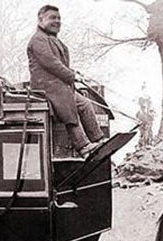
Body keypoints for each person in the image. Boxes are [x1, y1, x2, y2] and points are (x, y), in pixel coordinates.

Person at [27, 5, 105, 158]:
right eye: (52, 18)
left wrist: (74, 74)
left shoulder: (51, 39)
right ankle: (83, 147)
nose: (57, 21)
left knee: (85, 103)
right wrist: (71, 75)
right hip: (46, 87)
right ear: (40, 20)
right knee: (68, 106)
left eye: (58, 18)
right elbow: (51, 63)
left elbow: (58, 64)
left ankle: (99, 139)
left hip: (58, 86)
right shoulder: (38, 40)